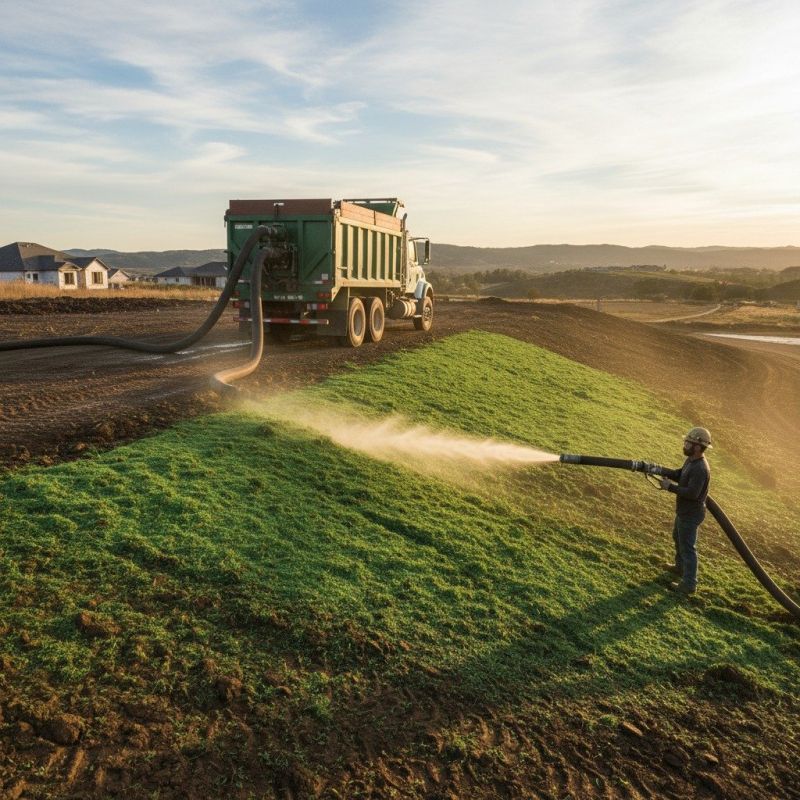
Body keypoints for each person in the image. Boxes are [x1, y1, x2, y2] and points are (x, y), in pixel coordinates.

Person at [659, 427, 712, 595]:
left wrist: (670, 487)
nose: (685, 444)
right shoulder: (691, 460)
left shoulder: (700, 468)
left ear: (697, 447)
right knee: (677, 537)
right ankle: (679, 567)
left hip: (691, 513)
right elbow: (680, 474)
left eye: (689, 442)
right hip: (684, 511)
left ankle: (689, 583)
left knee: (688, 547)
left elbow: (692, 493)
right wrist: (658, 470)